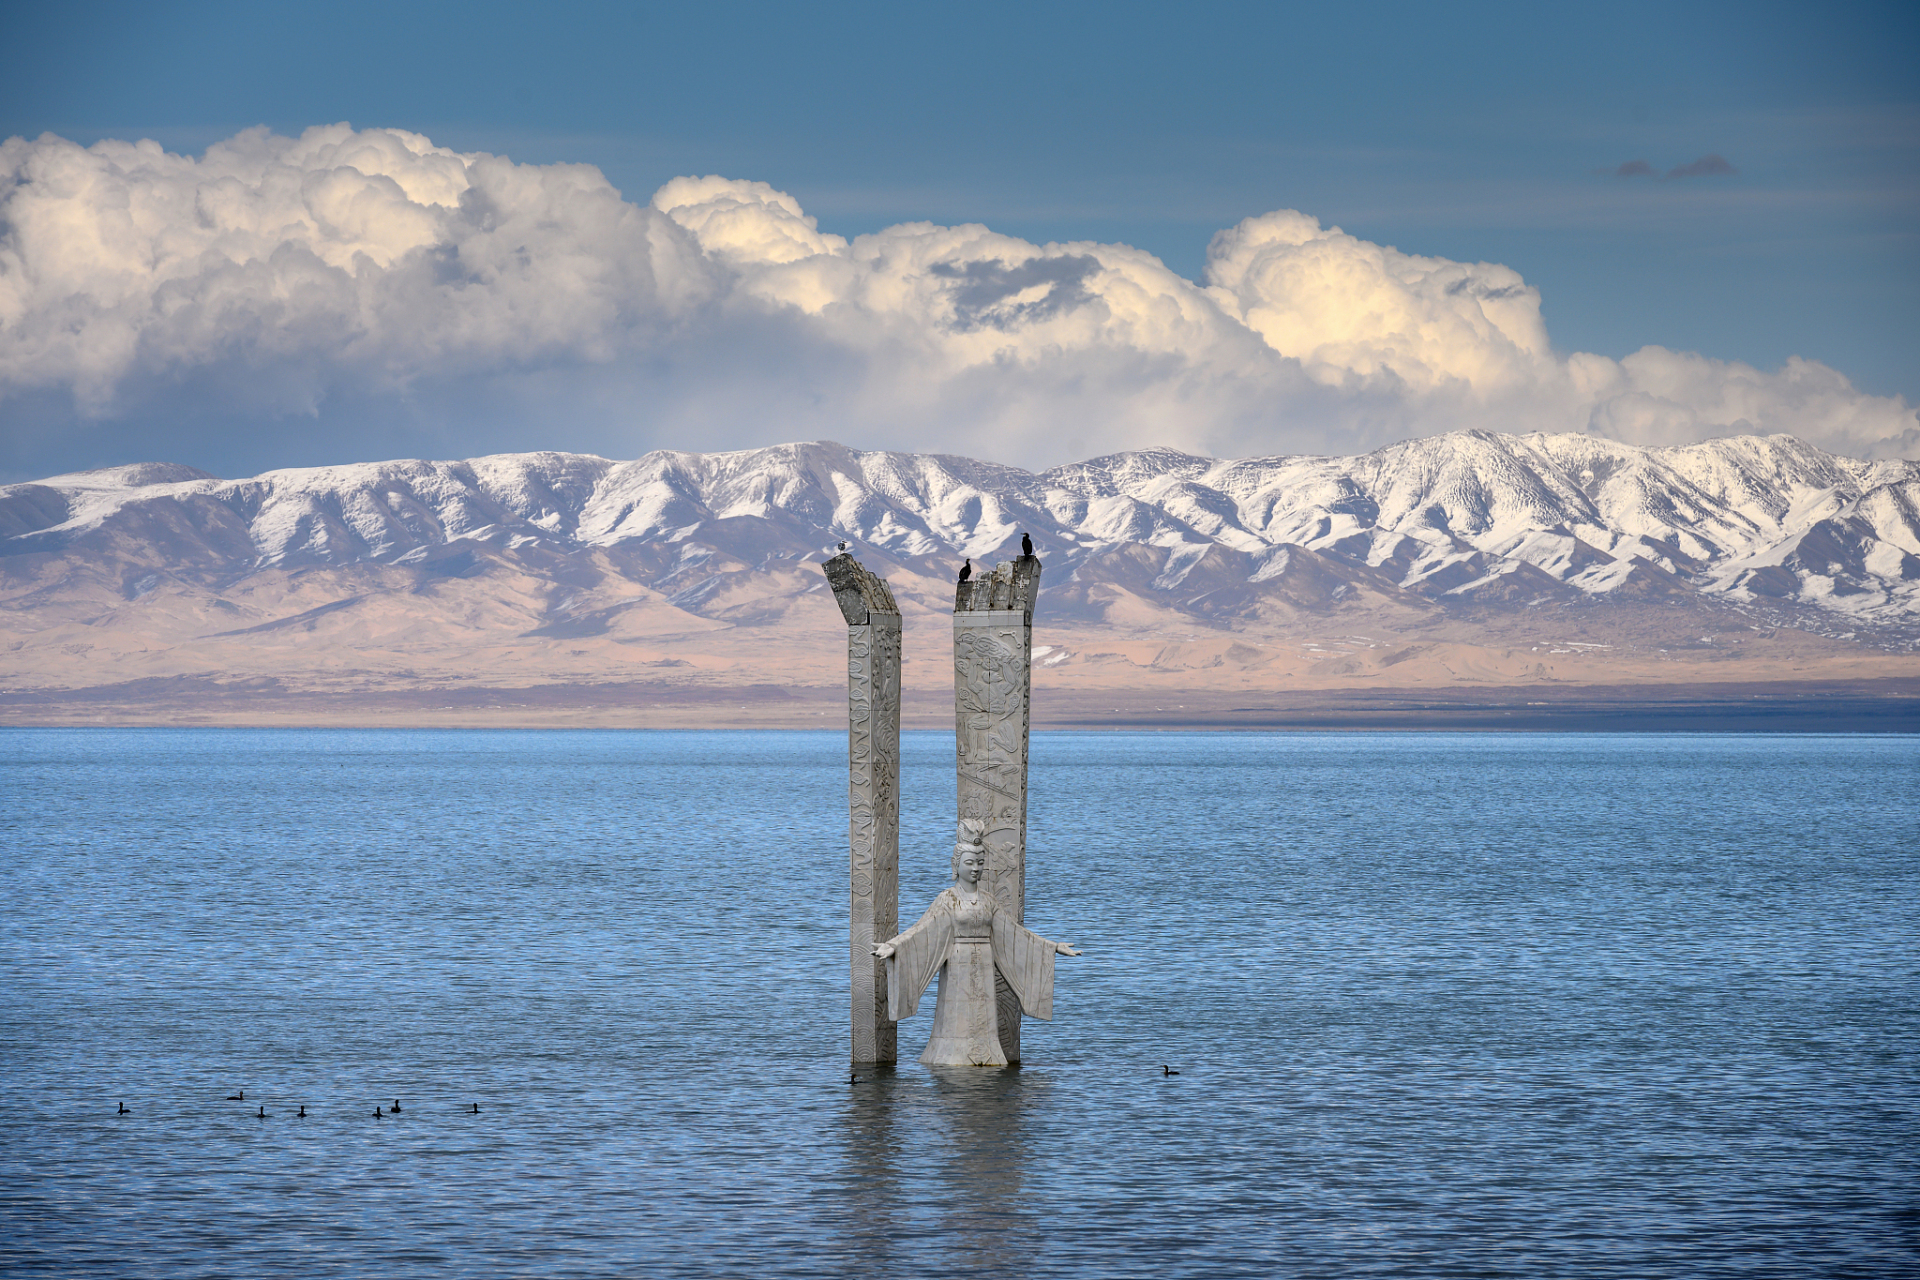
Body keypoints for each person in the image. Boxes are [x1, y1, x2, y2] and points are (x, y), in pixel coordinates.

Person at [874, 821, 1079, 1065]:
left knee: (982, 1011)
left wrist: (1051, 946)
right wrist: (895, 946)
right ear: (956, 865)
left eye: (980, 863)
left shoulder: (988, 901)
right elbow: (923, 930)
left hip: (984, 960)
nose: (975, 869)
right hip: (957, 961)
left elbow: (1013, 933)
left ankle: (987, 1051)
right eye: (969, 863)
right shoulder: (947, 899)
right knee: (956, 1011)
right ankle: (949, 1051)